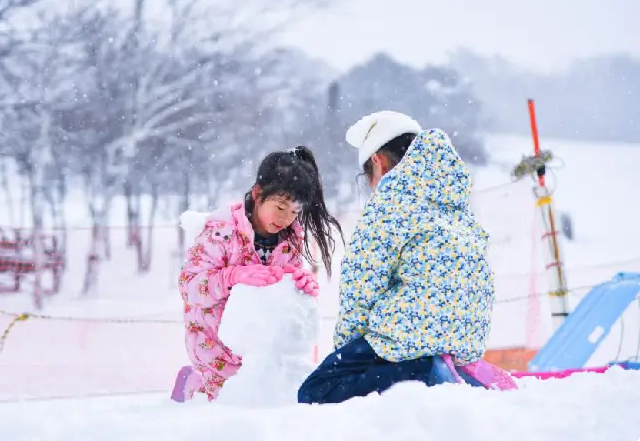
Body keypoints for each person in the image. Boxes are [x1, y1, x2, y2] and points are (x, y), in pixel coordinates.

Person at [298, 111, 515, 405]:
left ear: (378, 160)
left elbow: (361, 286)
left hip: (412, 335)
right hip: (465, 340)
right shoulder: (454, 203)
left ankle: (424, 371)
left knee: (316, 390)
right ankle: (448, 370)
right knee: (382, 362)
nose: (373, 186)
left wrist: (347, 351)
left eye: (369, 177)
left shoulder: (391, 201)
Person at [172, 146, 343, 403]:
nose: (287, 219)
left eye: (295, 212)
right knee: (232, 402)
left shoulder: (290, 238)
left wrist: (300, 286)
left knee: (272, 397)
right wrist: (231, 277)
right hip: (215, 343)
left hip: (261, 343)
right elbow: (189, 286)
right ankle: (194, 381)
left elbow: (287, 282)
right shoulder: (221, 232)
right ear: (257, 193)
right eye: (281, 207)